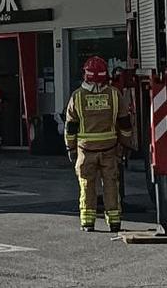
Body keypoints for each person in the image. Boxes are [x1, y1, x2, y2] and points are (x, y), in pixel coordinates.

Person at [65, 55, 132, 232]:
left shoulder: (77, 97)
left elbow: (70, 127)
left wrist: (70, 148)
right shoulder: (114, 95)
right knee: (111, 184)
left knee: (87, 185)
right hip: (110, 150)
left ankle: (88, 222)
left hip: (85, 151)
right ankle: (115, 221)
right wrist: (125, 145)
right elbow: (125, 124)